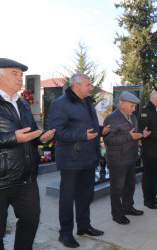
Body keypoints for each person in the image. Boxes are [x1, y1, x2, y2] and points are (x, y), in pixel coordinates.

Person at [0, 58, 55, 249]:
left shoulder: (22, 103)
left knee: (31, 221)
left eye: (21, 74)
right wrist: (12, 138)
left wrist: (41, 138)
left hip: (25, 179)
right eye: (15, 73)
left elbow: (26, 135)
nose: (20, 78)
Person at [48, 73, 110, 248]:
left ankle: (84, 226)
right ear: (76, 86)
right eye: (88, 85)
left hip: (88, 158)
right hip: (71, 160)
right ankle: (65, 233)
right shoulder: (60, 104)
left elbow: (87, 127)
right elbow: (56, 131)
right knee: (67, 198)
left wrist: (101, 129)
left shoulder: (88, 102)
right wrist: (83, 135)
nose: (91, 88)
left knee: (85, 196)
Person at [103, 92, 150, 225]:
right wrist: (130, 137)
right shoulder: (111, 119)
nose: (134, 109)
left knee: (130, 185)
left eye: (135, 106)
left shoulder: (133, 117)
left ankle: (128, 208)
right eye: (132, 106)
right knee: (117, 189)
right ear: (123, 104)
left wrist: (142, 134)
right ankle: (117, 215)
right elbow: (108, 140)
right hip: (117, 160)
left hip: (130, 158)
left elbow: (134, 134)